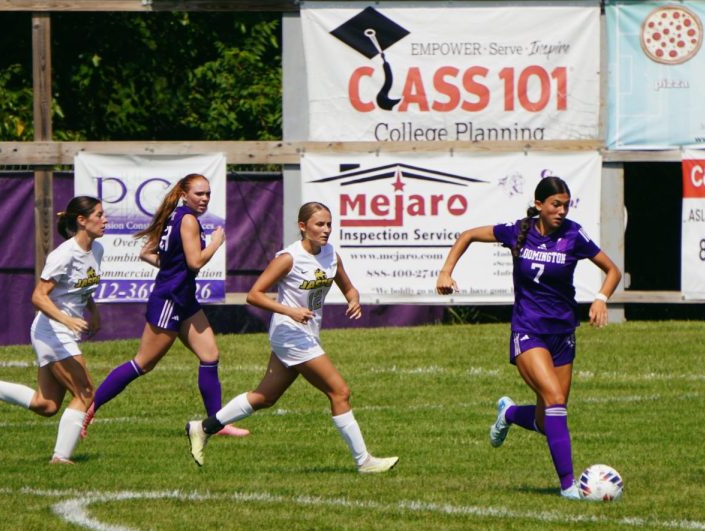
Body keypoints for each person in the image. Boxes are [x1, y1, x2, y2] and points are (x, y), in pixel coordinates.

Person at [435, 176, 622, 499]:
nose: (562, 211)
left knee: (547, 418)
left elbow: (612, 270)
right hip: (528, 330)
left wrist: (601, 299)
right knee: (554, 400)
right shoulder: (517, 230)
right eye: (555, 205)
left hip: (563, 333)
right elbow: (467, 235)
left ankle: (508, 414)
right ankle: (568, 487)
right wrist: (446, 271)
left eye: (566, 204)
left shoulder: (574, 235)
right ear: (539, 205)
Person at [185, 201, 399, 472]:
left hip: (306, 334)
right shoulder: (289, 257)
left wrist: (353, 300)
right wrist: (290, 311)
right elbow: (254, 295)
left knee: (265, 397)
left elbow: (349, 288)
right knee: (340, 391)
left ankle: (203, 428)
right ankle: (364, 461)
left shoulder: (331, 254)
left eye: (329, 224)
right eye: (319, 224)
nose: (326, 230)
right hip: (290, 335)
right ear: (302, 226)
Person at [85, 173, 249, 439]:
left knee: (210, 356)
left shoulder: (175, 215)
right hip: (171, 300)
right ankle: (90, 407)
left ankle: (216, 425)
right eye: (199, 193)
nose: (205, 198)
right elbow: (195, 262)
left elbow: (146, 253)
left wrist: (174, 268)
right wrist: (216, 244)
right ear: (184, 194)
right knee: (143, 364)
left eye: (208, 193)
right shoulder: (187, 220)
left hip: (184, 299)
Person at [0, 197, 107, 464]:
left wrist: (94, 312)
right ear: (82, 220)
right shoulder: (63, 254)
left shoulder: (97, 250)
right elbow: (38, 297)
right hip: (52, 331)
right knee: (86, 393)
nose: (105, 220)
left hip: (59, 332)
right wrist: (66, 321)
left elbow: (81, 287)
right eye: (100, 215)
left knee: (47, 405)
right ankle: (60, 458)